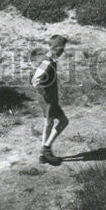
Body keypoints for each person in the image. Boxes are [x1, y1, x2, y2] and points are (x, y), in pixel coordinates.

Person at [32, 35, 70, 166]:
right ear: (53, 48)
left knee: (48, 124)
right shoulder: (47, 62)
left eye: (63, 49)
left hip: (49, 99)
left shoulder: (50, 60)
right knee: (63, 121)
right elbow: (35, 80)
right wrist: (45, 94)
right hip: (48, 100)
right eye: (60, 49)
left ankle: (43, 155)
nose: (62, 52)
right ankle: (46, 148)